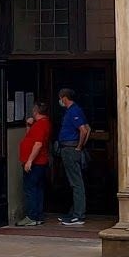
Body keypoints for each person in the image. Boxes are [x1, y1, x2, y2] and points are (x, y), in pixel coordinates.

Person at [56, 87, 90, 227]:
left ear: (64, 97)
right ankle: (74, 212)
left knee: (76, 183)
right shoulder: (73, 110)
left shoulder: (74, 110)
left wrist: (79, 147)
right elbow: (88, 128)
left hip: (70, 148)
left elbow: (84, 130)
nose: (60, 101)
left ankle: (78, 215)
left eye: (60, 98)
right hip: (69, 148)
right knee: (73, 182)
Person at [16, 101, 51, 227]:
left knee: (30, 189)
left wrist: (30, 161)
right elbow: (29, 138)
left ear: (36, 111)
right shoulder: (39, 124)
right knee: (38, 189)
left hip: (36, 163)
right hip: (39, 162)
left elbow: (38, 144)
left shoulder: (41, 124)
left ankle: (32, 216)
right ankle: (38, 216)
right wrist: (29, 125)